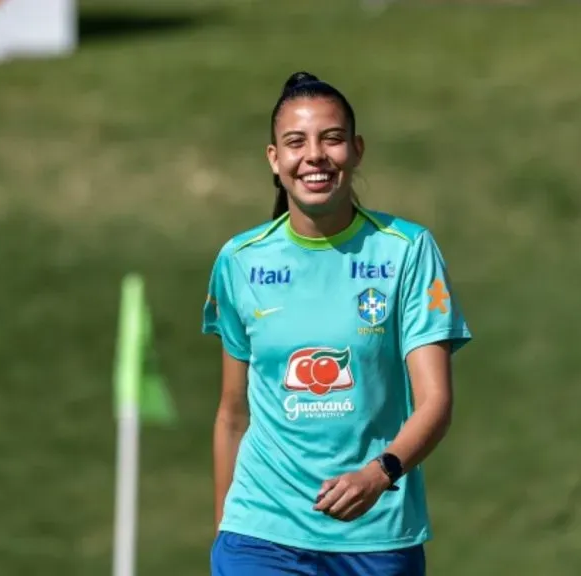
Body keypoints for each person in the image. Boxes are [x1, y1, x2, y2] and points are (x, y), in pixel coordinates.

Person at [202, 70, 472, 576]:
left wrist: (380, 474)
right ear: (274, 159)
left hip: (376, 538)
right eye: (295, 142)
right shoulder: (239, 260)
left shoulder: (408, 251)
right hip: (260, 537)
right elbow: (232, 415)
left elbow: (435, 403)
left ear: (357, 149)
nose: (315, 156)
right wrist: (225, 529)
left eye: (332, 139)